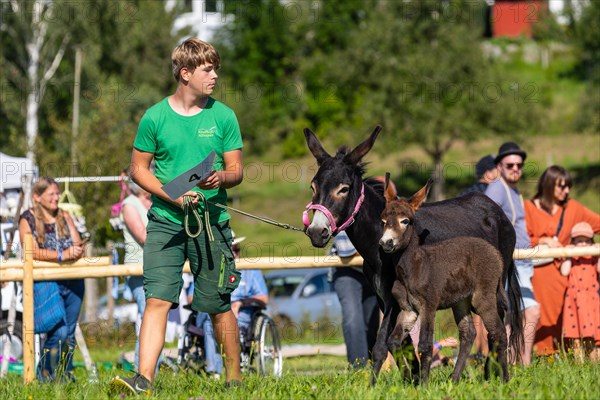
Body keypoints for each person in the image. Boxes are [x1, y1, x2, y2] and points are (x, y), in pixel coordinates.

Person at [111, 38, 244, 394]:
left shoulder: (223, 116)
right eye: (207, 69)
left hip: (212, 225)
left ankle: (234, 380)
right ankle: (143, 381)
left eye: (215, 68)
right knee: (156, 300)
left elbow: (237, 169)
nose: (215, 75)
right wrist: (172, 193)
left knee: (217, 305)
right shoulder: (154, 116)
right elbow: (138, 169)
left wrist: (223, 177)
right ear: (185, 73)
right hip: (165, 224)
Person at [524, 165, 600, 356]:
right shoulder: (529, 208)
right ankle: (543, 357)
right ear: (548, 185)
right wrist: (542, 240)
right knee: (540, 316)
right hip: (538, 275)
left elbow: (597, 223)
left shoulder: (573, 208)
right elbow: (520, 238)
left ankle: (565, 355)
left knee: (567, 317)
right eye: (562, 186)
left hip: (566, 277)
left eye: (568, 187)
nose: (566, 191)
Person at [18, 176, 85, 382]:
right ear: (37, 197)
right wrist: (60, 255)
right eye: (52, 194)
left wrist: (77, 250)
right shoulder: (27, 219)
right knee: (60, 331)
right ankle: (44, 373)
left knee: (70, 333)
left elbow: (77, 243)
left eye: (57, 193)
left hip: (72, 280)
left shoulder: (64, 216)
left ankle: (64, 374)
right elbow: (30, 251)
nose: (57, 198)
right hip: (46, 282)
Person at [484, 142, 540, 366]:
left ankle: (511, 362)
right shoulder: (498, 187)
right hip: (510, 261)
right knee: (529, 312)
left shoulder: (512, 189)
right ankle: (518, 363)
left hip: (520, 260)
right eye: (510, 165)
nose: (515, 168)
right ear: (499, 166)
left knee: (512, 315)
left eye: (519, 165)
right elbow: (486, 220)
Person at [189, 232, 269, 378]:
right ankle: (215, 372)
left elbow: (263, 297)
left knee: (218, 320)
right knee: (211, 320)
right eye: (231, 249)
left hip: (243, 312)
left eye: (236, 249)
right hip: (211, 310)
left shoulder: (250, 270)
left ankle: (230, 373)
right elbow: (190, 297)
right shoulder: (207, 269)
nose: (234, 253)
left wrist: (240, 303)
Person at [458, 154, 498, 358]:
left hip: (466, 256)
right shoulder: (493, 194)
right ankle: (487, 353)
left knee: (474, 304)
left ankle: (478, 353)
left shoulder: (465, 195)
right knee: (488, 304)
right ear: (489, 172)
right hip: (488, 256)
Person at [120, 179, 152, 369]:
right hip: (138, 269)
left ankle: (148, 371)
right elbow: (144, 236)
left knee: (155, 318)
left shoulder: (157, 202)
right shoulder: (129, 205)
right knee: (149, 317)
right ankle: (143, 372)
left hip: (159, 266)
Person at [559, 222, 600, 362]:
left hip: (591, 299)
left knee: (592, 334)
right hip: (574, 299)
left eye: (586, 241)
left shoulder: (593, 257)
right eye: (579, 241)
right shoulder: (572, 258)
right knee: (576, 336)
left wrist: (598, 254)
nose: (582, 245)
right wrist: (569, 255)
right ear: (573, 242)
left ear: (591, 242)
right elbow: (564, 271)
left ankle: (595, 364)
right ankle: (579, 365)